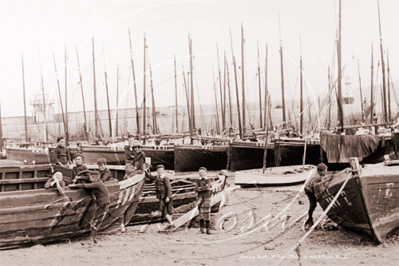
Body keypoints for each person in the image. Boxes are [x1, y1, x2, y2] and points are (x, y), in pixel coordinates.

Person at [69, 171, 110, 243]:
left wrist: (74, 185)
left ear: (95, 178)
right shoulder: (99, 182)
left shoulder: (97, 184)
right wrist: (79, 177)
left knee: (96, 219)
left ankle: (91, 238)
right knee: (98, 219)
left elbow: (86, 186)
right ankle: (94, 238)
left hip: (102, 204)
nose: (89, 178)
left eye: (91, 177)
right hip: (104, 203)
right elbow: (88, 180)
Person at [304, 163, 328, 230]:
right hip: (309, 190)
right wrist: (316, 195)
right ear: (320, 171)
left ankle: (310, 218)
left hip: (310, 188)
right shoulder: (316, 177)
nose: (326, 172)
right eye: (325, 171)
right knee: (313, 204)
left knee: (314, 204)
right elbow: (312, 186)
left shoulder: (318, 174)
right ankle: (310, 219)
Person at [195, 167, 213, 234]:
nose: (201, 174)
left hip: (207, 197)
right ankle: (201, 229)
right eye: (200, 173)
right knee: (201, 213)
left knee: (207, 213)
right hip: (200, 198)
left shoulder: (208, 180)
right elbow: (196, 189)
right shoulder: (197, 180)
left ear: (206, 173)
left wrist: (200, 188)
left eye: (203, 172)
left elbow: (208, 187)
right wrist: (203, 188)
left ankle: (208, 229)